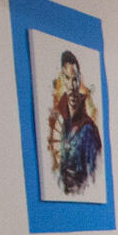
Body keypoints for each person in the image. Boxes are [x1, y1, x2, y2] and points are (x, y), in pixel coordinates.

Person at [46, 49, 102, 195]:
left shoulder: (88, 129)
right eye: (66, 78)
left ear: (79, 80)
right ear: (62, 79)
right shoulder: (64, 123)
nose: (71, 84)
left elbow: (93, 175)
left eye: (74, 79)